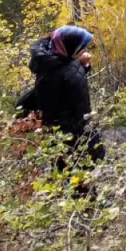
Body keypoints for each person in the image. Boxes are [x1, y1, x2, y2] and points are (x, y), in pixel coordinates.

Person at [29, 25, 105, 169]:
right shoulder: (51, 75)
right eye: (81, 47)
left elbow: (68, 81)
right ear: (69, 48)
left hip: (78, 129)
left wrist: (82, 65)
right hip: (68, 137)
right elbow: (54, 105)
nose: (84, 50)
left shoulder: (60, 62)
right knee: (75, 175)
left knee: (83, 175)